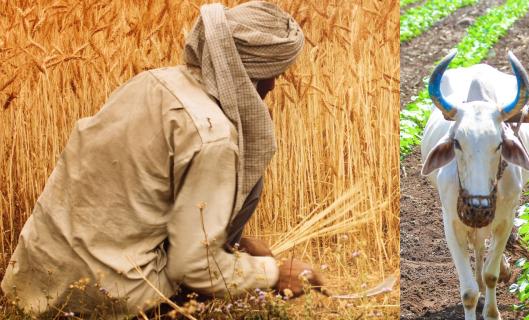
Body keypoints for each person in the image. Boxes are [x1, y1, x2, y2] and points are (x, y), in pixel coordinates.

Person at [1, 2, 323, 317]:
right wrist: (272, 273)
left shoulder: (151, 81)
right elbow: (194, 269)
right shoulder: (213, 136)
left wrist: (236, 251)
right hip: (106, 296)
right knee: (247, 190)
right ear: (247, 73)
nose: (274, 85)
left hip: (31, 279)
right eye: (272, 74)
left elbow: (132, 199)